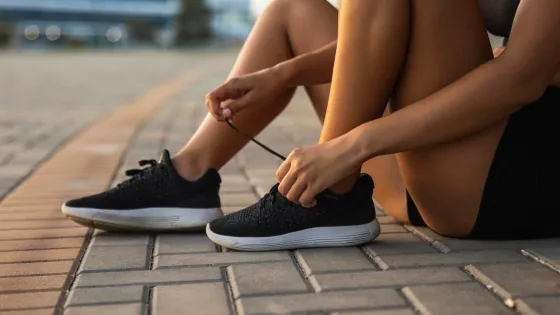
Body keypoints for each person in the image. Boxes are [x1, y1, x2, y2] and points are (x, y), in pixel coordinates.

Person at [62, 0, 560, 251]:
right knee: (292, 10)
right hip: (440, 167)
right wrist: (283, 73)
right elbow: (395, 32)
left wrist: (349, 147)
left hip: (511, 171)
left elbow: (521, 75)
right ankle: (190, 177)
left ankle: (329, 196)